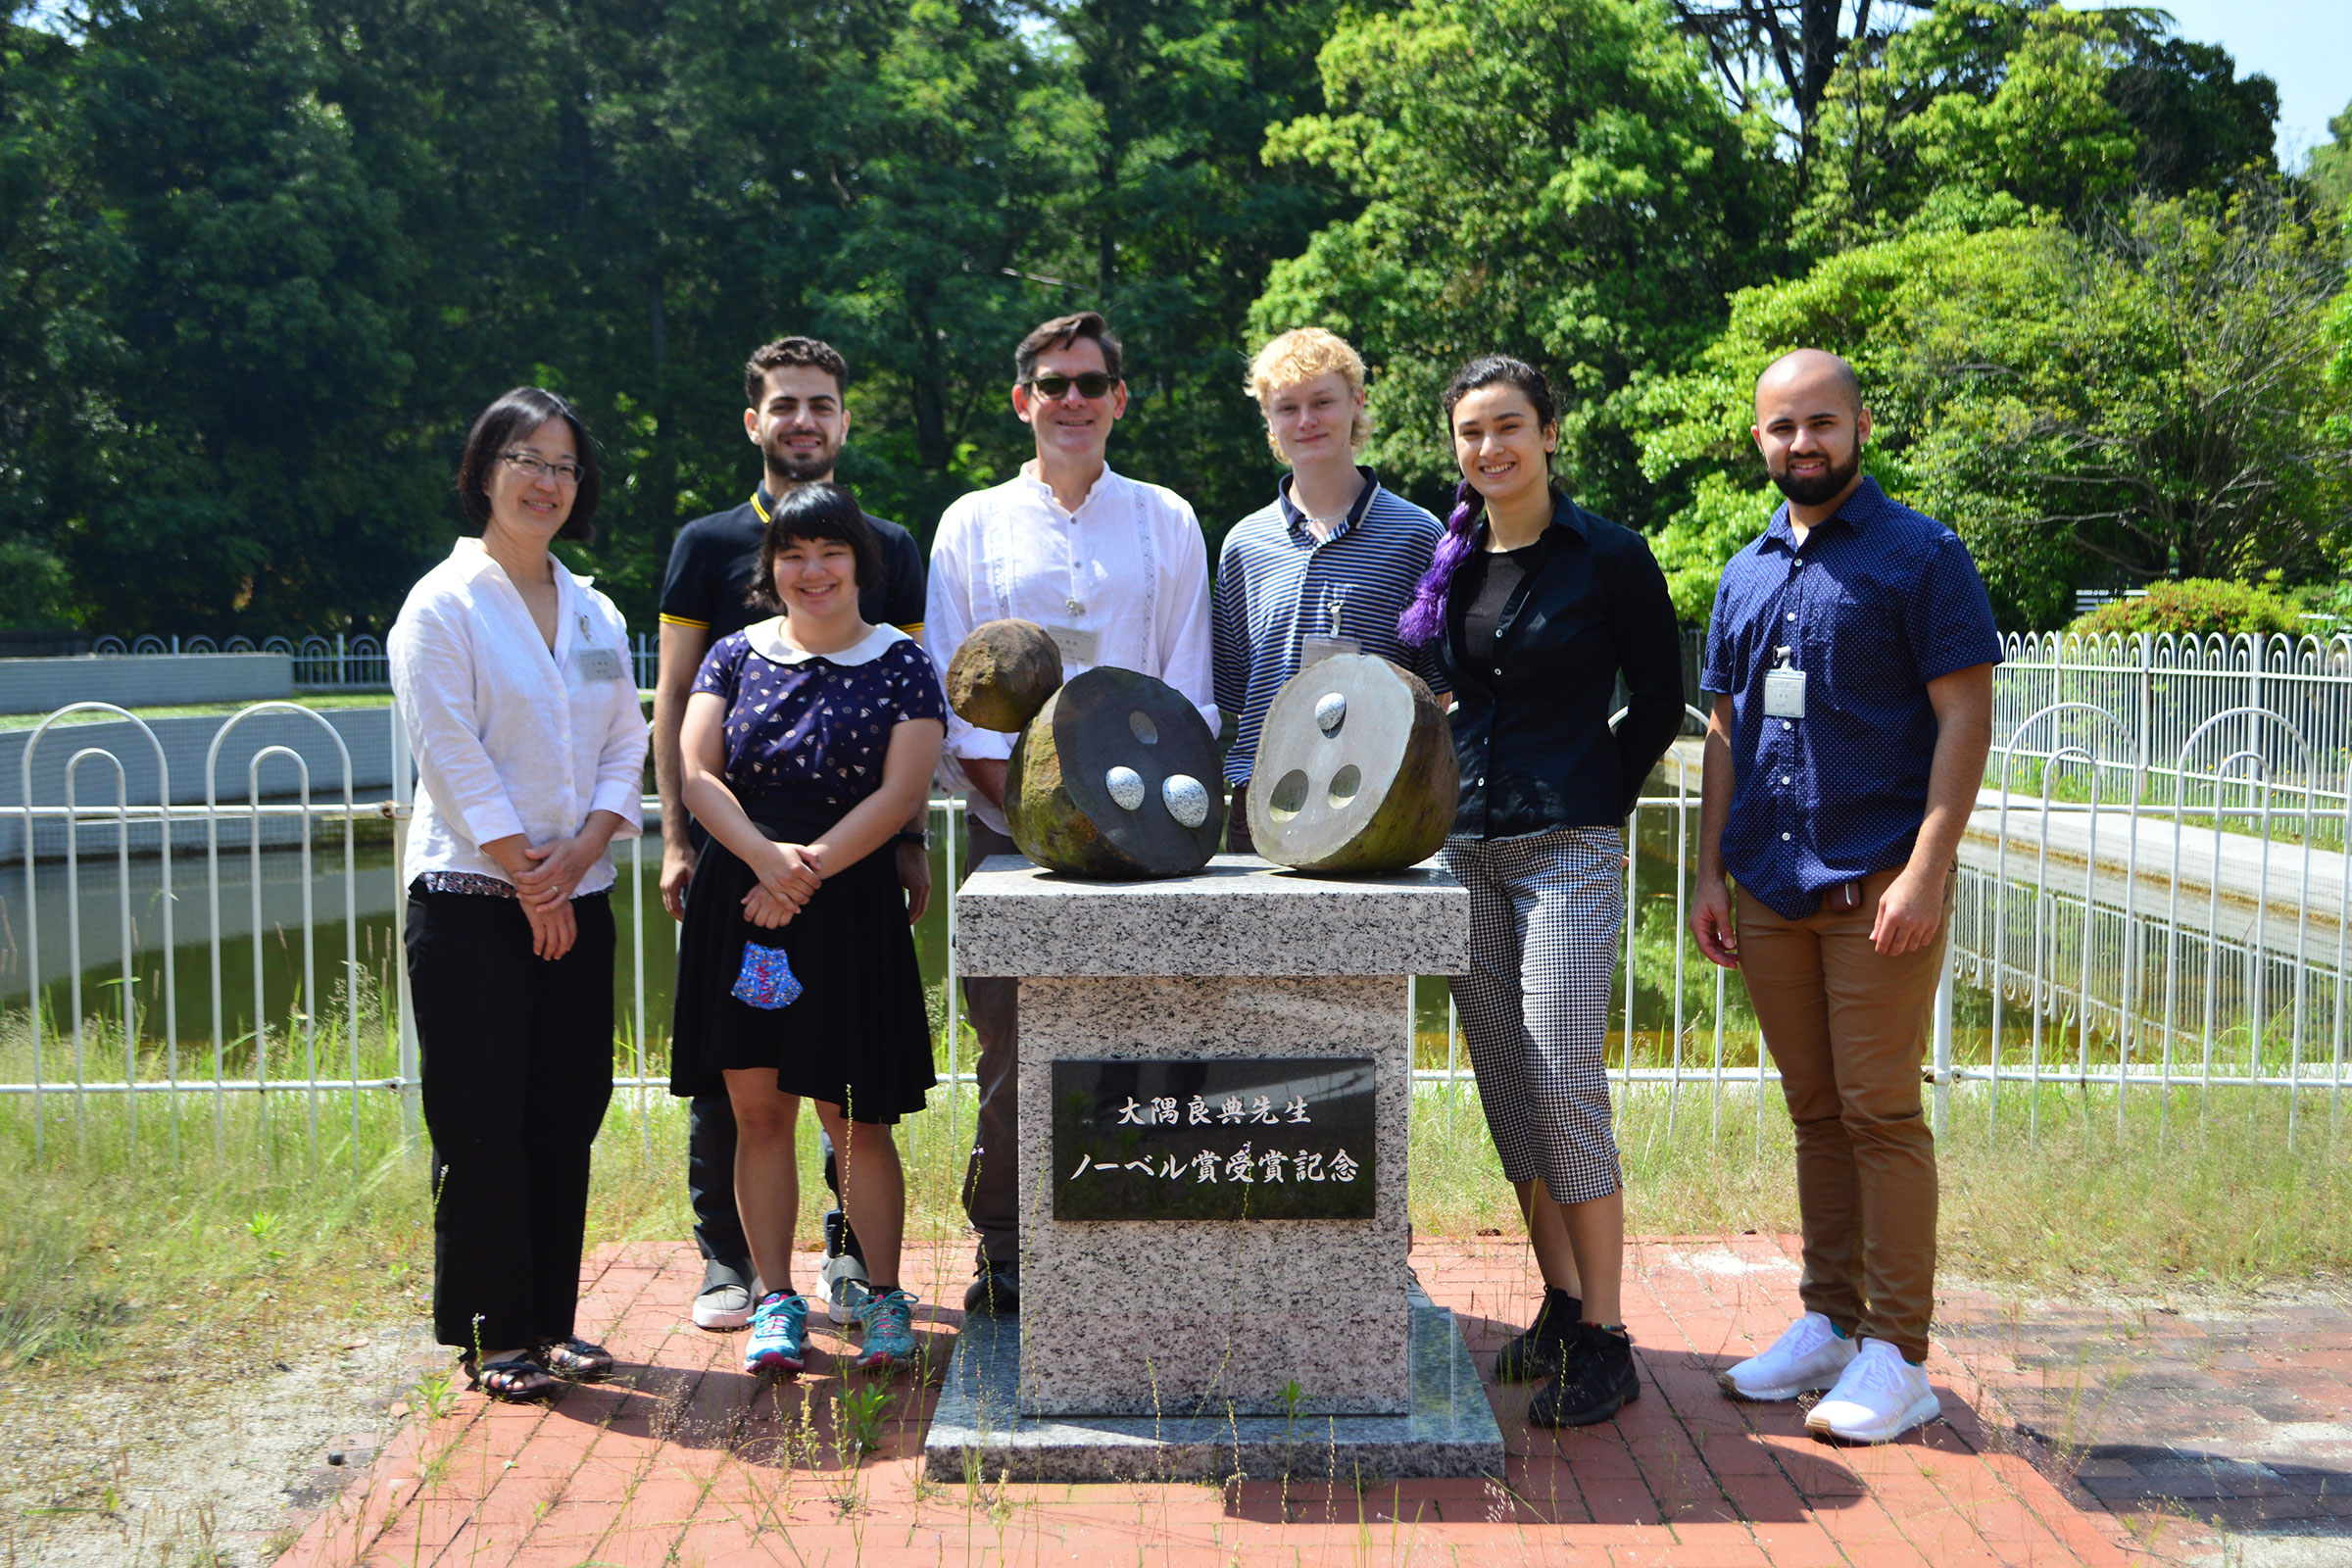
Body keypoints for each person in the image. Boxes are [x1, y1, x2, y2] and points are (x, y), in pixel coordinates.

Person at [1690, 349, 1998, 1445]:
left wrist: (1928, 865)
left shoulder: (1921, 555)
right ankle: (1829, 1318)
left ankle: (1898, 1353)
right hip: (1770, 882)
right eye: (1782, 426)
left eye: (1822, 422)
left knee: (1880, 1110)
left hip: (1879, 884)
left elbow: (1965, 715)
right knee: (1816, 1111)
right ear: (1759, 437)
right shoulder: (1745, 569)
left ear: (1860, 425)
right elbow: (1726, 728)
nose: (1802, 442)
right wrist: (1708, 871)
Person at [1395, 356, 1683, 1427]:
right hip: (1468, 846)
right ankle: (1561, 1301)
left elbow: (1660, 695)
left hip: (1567, 843)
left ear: (1550, 432)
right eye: (1470, 432)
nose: (1488, 449)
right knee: (1510, 1086)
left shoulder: (1608, 555)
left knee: (1564, 1075)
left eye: (1508, 426)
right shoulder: (1453, 560)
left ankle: (1608, 1338)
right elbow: (1439, 692)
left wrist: (1602, 786)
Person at [924, 311, 1216, 1313]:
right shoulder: (970, 524)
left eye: (1092, 383)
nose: (1073, 401)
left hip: (1150, 842)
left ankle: (1144, 1229)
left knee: (1152, 1038)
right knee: (1012, 1045)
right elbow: (956, 696)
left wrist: (1140, 826)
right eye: (1053, 384)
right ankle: (1005, 1245)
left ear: (1119, 399)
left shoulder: (1169, 518)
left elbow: (1190, 686)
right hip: (1013, 835)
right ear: (1023, 400)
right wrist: (1037, 819)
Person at [654, 336, 931, 1334]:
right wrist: (693, 844)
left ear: (844, 419)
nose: (803, 420)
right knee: (741, 1095)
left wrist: (881, 855)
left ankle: (860, 1270)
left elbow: (907, 767)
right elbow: (679, 712)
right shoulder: (708, 552)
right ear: (755, 420)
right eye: (785, 405)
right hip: (741, 871)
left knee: (852, 1102)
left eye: (822, 404)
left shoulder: (893, 551)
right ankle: (737, 1271)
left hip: (843, 880)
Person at [389, 387, 649, 1401]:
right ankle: (495, 1332)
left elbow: (626, 741)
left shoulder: (596, 609)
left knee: (565, 1109)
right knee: (481, 1117)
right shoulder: (441, 604)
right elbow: (449, 752)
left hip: (577, 892)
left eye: (564, 465)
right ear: (484, 466)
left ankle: (553, 1320)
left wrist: (581, 848)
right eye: (526, 459)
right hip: (470, 898)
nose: (546, 480)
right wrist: (525, 874)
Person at [1212, 328, 1446, 852]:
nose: (1306, 421)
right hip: (1261, 795)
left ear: (1357, 402)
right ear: (1269, 420)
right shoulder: (1243, 544)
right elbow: (1233, 689)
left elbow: (1439, 686)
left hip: (1376, 795)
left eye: (1322, 402)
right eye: (1287, 407)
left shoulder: (1416, 535)